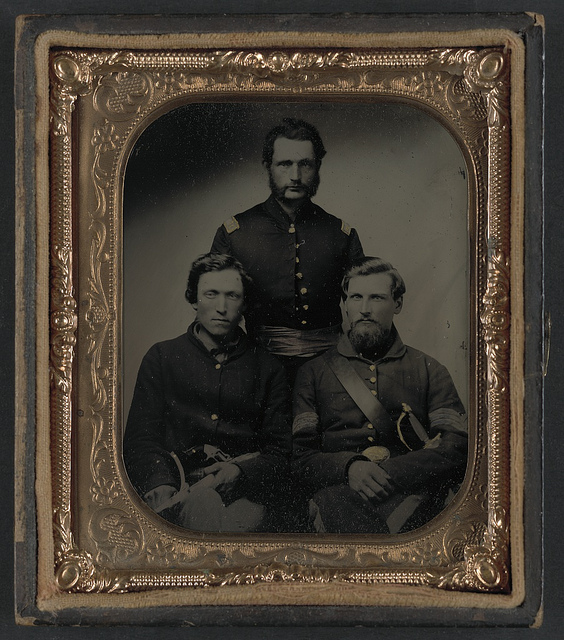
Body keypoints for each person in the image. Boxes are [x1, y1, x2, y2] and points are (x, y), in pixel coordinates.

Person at [292, 257, 468, 534]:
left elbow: (455, 444)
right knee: (334, 504)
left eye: (376, 298)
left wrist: (390, 473)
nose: (364, 309)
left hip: (412, 499)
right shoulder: (313, 373)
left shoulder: (429, 368)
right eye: (356, 298)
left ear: (397, 304)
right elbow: (300, 456)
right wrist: (349, 467)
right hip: (339, 501)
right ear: (344, 304)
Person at [123, 253, 291, 532]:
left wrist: (239, 473)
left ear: (245, 303)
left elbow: (281, 452)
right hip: (176, 490)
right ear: (193, 298)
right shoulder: (162, 357)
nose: (221, 307)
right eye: (211, 294)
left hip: (243, 495)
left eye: (232, 296)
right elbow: (141, 439)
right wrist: (160, 484)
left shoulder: (268, 367)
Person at [210, 118, 365, 385]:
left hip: (332, 368)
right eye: (285, 164)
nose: (295, 176)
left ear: (317, 167)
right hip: (258, 367)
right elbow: (215, 310)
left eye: (305, 164)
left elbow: (364, 307)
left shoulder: (340, 234)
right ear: (268, 167)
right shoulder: (236, 233)